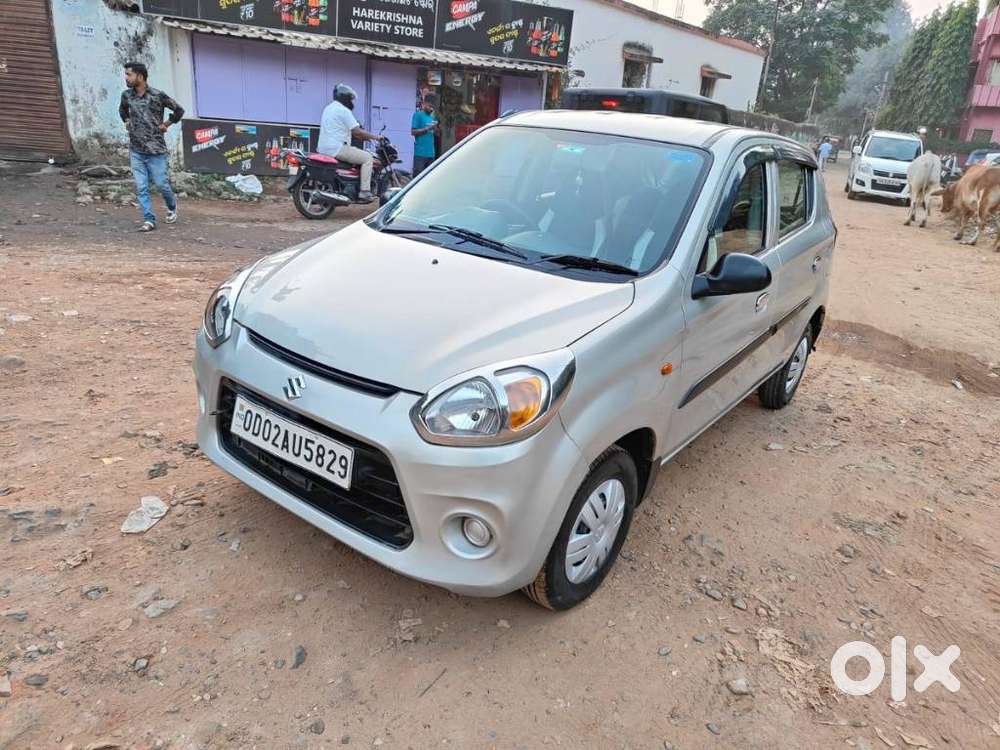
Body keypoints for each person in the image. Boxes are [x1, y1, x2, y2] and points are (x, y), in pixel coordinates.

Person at [119, 61, 184, 232]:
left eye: (129, 74)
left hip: (156, 150)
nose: (126, 77)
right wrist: (127, 121)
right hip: (136, 149)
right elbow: (122, 111)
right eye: (126, 74)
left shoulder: (157, 95)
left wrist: (167, 124)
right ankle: (149, 219)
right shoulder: (126, 96)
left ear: (140, 76)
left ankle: (171, 206)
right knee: (141, 187)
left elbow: (179, 110)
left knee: (162, 184)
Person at [317, 84, 384, 203]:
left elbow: (343, 129)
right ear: (345, 98)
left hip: (324, 147)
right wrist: (376, 137)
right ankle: (364, 192)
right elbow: (357, 131)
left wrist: (363, 137)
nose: (352, 102)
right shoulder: (344, 111)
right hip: (337, 148)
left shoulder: (329, 108)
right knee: (368, 158)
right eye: (350, 98)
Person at [411, 95, 439, 177]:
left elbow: (436, 133)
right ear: (424, 104)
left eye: (433, 107)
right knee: (418, 177)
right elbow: (413, 132)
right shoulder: (418, 115)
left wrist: (436, 128)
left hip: (431, 153)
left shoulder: (432, 117)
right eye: (430, 106)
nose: (431, 109)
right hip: (420, 153)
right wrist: (427, 128)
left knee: (428, 177)